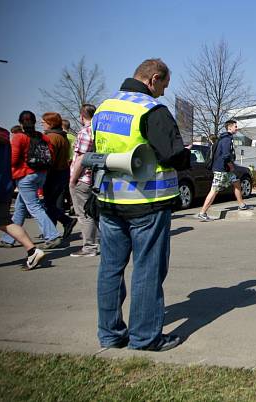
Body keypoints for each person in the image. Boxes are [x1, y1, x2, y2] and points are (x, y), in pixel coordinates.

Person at [93, 58, 191, 351]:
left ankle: (110, 334)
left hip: (110, 200)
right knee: (147, 270)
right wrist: (186, 156)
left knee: (110, 269)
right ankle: (145, 337)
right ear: (154, 79)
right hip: (147, 203)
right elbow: (172, 155)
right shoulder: (152, 110)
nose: (163, 92)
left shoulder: (104, 108)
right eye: (163, 86)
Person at [0, 111, 62, 249]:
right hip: (41, 175)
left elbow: (13, 159)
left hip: (25, 176)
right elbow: (50, 155)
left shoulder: (18, 137)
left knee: (34, 207)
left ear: (21, 123)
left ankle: (52, 236)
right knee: (20, 207)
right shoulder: (43, 137)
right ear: (34, 122)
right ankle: (8, 239)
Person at [0, 125, 46, 269]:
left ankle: (47, 238)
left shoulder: (17, 137)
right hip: (5, 184)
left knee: (31, 208)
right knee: (4, 221)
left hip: (21, 176)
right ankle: (32, 250)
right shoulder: (5, 135)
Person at [195, 120, 249, 221]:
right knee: (214, 190)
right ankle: (202, 212)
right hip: (221, 170)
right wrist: (231, 165)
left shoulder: (225, 138)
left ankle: (241, 205)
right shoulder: (226, 139)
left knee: (236, 182)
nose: (237, 128)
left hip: (226, 170)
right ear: (230, 127)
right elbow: (225, 155)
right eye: (235, 126)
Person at [68, 104, 100, 257]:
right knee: (93, 213)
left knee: (84, 214)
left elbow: (82, 158)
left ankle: (89, 247)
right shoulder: (99, 130)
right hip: (95, 178)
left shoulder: (85, 132)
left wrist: (73, 180)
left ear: (82, 116)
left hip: (83, 178)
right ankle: (97, 243)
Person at [41, 112, 77, 239]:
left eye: (43, 122)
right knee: (52, 203)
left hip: (53, 173)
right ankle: (51, 230)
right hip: (62, 172)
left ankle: (65, 221)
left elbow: (49, 158)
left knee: (48, 204)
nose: (41, 124)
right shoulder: (63, 136)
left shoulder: (51, 137)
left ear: (50, 123)